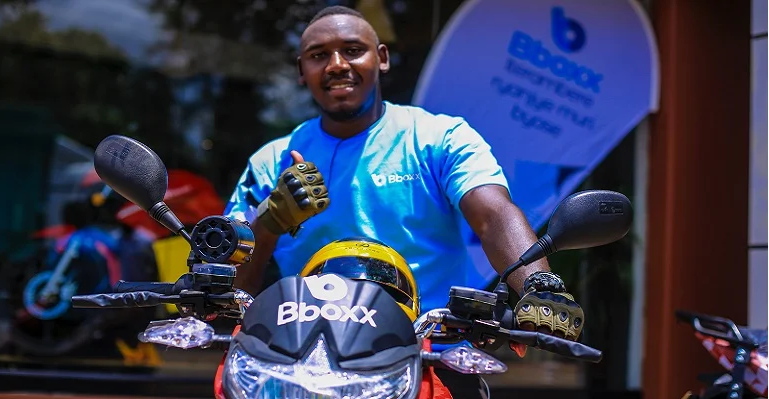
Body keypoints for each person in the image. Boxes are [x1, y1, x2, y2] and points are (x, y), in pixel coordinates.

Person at [225, 3, 583, 365]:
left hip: (431, 357)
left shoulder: (440, 137)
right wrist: (269, 222)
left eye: (352, 50)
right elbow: (231, 290)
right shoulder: (271, 162)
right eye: (319, 56)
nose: (336, 65)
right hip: (303, 362)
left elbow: (493, 215)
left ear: (381, 58)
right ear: (302, 70)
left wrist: (538, 286)